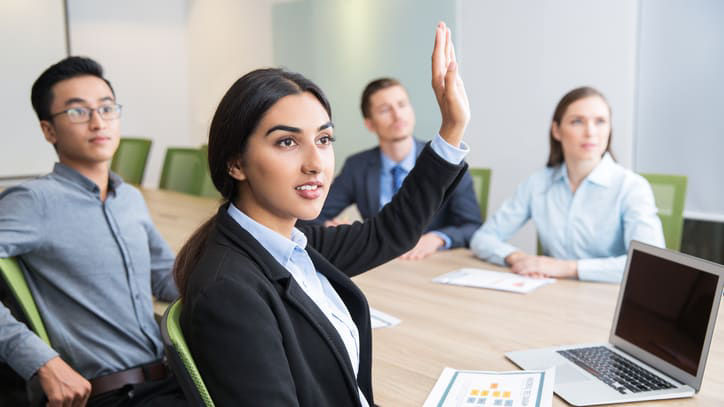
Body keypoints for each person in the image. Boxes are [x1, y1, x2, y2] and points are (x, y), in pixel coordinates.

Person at [175, 22, 469, 406]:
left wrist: (451, 128)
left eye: (324, 139)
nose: (316, 163)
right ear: (236, 163)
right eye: (287, 142)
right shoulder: (230, 289)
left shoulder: (293, 245)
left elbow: (389, 233)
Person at [0, 56, 185, 406]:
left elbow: (166, 277)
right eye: (77, 112)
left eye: (107, 108)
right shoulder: (33, 202)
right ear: (48, 130)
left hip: (170, 377)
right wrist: (39, 360)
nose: (98, 122)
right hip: (112, 394)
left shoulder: (129, 198)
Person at [470, 86, 665, 283]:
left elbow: (649, 264)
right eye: (577, 121)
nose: (590, 132)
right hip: (553, 294)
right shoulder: (538, 183)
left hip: (608, 300)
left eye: (600, 122)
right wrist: (517, 258)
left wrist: (567, 268)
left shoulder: (631, 187)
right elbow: (483, 238)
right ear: (557, 130)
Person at [307, 77, 482, 260]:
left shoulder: (445, 161)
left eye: (402, 105)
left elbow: (472, 226)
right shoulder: (357, 166)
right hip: (382, 266)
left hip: (431, 263)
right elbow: (313, 214)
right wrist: (327, 228)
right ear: (370, 124)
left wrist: (438, 238)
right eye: (384, 110)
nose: (397, 115)